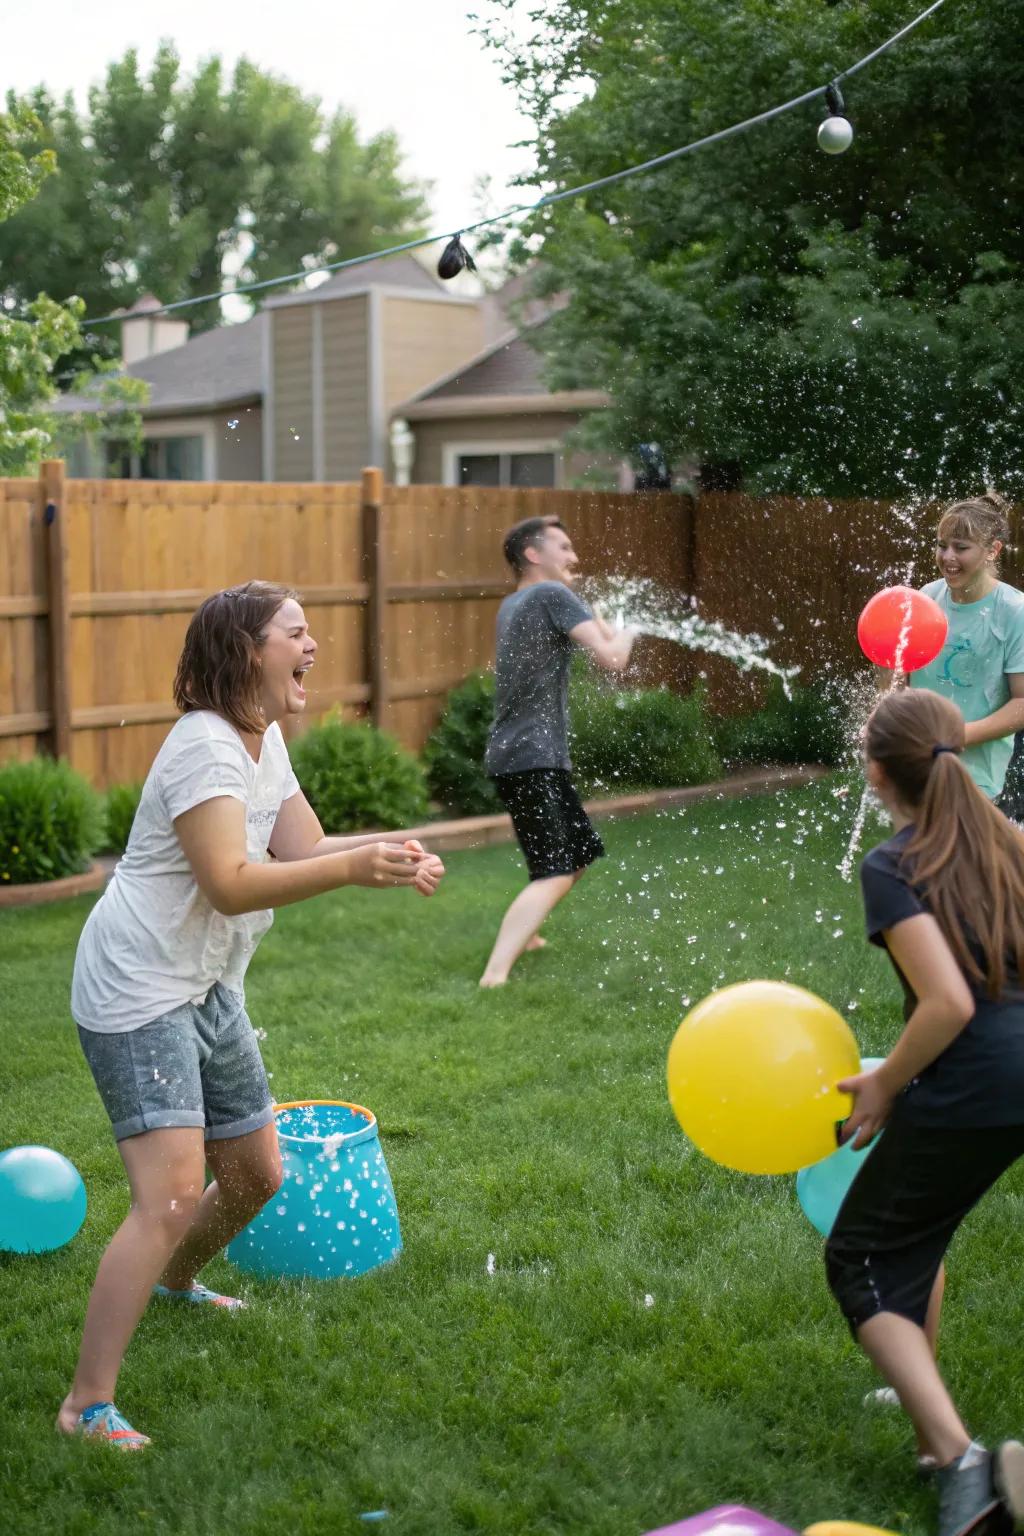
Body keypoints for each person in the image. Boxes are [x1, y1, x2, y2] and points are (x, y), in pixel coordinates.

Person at [59, 581, 445, 1450]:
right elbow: (229, 880)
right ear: (246, 651)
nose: (314, 646)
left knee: (257, 1173)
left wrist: (380, 851)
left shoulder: (262, 741)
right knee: (166, 1198)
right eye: (296, 633)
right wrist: (352, 872)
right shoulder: (204, 748)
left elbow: (302, 847)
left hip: (204, 983)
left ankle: (176, 1285)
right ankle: (85, 1405)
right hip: (139, 988)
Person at [826, 687, 1024, 1534]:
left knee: (861, 1257)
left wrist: (882, 1085)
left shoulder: (893, 863)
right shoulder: (1010, 840)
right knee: (921, 1235)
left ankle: (962, 1465)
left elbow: (944, 1002)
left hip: (975, 1082)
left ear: (877, 774)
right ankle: (931, 1442)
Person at [479, 516, 637, 987]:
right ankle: (495, 974)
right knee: (555, 869)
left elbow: (587, 638)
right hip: (532, 754)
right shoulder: (550, 595)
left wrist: (605, 627)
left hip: (522, 753)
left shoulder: (514, 603)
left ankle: (527, 934)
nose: (574, 558)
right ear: (533, 554)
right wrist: (629, 632)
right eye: (563, 548)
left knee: (579, 852)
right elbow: (613, 660)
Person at [909, 491, 1024, 806]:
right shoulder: (926, 599)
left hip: (979, 782)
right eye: (941, 545)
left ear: (993, 550)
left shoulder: (1014, 612)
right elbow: (897, 672)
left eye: (961, 548)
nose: (947, 557)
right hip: (919, 771)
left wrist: (957, 736)